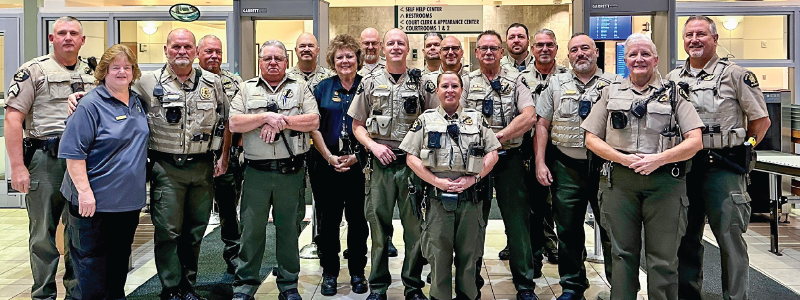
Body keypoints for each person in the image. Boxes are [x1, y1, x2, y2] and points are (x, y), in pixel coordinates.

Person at [582, 33, 704, 300]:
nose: (639, 59)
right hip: (619, 183)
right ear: (625, 60)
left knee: (663, 257)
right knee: (622, 254)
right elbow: (591, 138)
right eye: (633, 55)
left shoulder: (674, 93)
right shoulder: (609, 92)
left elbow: (695, 141)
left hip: (665, 184)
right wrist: (622, 158)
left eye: (645, 54)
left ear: (656, 59)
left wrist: (658, 159)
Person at [671, 16, 771, 300]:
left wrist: (745, 146)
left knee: (730, 240)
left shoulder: (736, 75)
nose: (694, 40)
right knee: (685, 239)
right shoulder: (673, 78)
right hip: (686, 169)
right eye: (689, 34)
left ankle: (735, 297)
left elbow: (761, 121)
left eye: (701, 34)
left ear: (715, 39)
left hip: (724, 170)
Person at [133, 28, 230, 300]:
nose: (182, 52)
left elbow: (226, 122)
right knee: (168, 230)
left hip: (202, 166)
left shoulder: (212, 83)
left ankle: (188, 286)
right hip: (166, 167)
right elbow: (114, 96)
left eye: (187, 46)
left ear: (195, 51)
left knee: (195, 230)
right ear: (166, 49)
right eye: (176, 46)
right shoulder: (146, 82)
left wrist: (223, 157)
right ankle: (170, 288)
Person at [4, 16, 95, 300]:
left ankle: (75, 293)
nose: (68, 37)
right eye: (61, 33)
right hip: (47, 160)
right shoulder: (33, 71)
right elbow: (12, 119)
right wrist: (17, 167)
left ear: (82, 40)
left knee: (78, 232)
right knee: (43, 233)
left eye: (74, 33)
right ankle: (43, 294)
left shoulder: (93, 73)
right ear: (51, 38)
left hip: (84, 163)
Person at [348, 28, 436, 300]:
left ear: (408, 49)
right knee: (378, 230)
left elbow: (435, 122)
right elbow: (357, 125)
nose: (396, 47)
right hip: (379, 167)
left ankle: (412, 285)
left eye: (401, 43)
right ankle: (378, 287)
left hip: (412, 168)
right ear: (384, 49)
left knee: (414, 230)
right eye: (391, 43)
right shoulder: (370, 82)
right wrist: (372, 145)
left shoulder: (422, 83)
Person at [229, 40, 320, 300]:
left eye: (278, 58)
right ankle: (245, 285)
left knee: (289, 231)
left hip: (290, 173)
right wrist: (264, 117)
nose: (272, 63)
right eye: (267, 58)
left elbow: (313, 120)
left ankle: (289, 285)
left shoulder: (300, 87)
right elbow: (234, 123)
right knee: (251, 231)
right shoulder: (246, 89)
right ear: (259, 61)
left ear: (286, 61)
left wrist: (282, 121)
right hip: (256, 173)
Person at [59, 44, 147, 300]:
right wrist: (85, 193)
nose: (122, 72)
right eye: (115, 67)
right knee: (91, 275)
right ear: (103, 72)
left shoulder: (137, 102)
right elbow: (74, 154)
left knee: (117, 271)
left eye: (127, 67)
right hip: (93, 206)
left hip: (126, 206)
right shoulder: (89, 106)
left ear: (134, 72)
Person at [402, 71, 500, 300]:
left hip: (470, 200)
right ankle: (440, 296)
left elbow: (493, 153)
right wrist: (436, 181)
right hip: (437, 200)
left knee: (469, 255)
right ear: (437, 90)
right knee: (438, 255)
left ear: (461, 90)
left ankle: (467, 296)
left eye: (454, 85)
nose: (449, 90)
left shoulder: (476, 119)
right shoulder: (425, 120)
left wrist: (472, 179)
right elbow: (410, 157)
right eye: (444, 86)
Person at [534, 33, 617, 300]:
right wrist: (540, 162)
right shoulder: (555, 84)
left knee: (612, 229)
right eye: (574, 50)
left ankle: (620, 286)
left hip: (605, 168)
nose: (580, 53)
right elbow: (542, 125)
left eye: (585, 49)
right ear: (567, 55)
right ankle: (572, 286)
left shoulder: (614, 84)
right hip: (566, 166)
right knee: (568, 230)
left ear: (596, 52)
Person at [461, 30, 538, 300]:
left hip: (510, 160)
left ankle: (525, 284)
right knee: (474, 222)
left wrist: (499, 136)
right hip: (475, 162)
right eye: (484, 48)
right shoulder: (466, 82)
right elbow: (457, 117)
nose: (489, 52)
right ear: (477, 53)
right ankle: (471, 280)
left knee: (517, 223)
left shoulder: (516, 80)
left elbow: (529, 116)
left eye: (494, 48)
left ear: (502, 52)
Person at [308, 34, 369, 296]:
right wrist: (329, 157)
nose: (345, 60)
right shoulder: (322, 87)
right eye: (340, 56)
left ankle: (357, 271)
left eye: (350, 56)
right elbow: (313, 127)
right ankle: (330, 272)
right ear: (333, 60)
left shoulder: (368, 86)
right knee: (328, 222)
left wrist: (358, 155)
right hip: (327, 164)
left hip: (359, 164)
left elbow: (375, 126)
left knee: (357, 221)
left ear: (358, 59)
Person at [515, 27, 568, 269]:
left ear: (556, 49)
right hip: (530, 148)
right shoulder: (521, 78)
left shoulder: (567, 77)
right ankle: (534, 256)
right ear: (532, 49)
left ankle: (560, 250)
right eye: (540, 45)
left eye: (549, 45)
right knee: (534, 206)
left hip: (562, 149)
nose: (545, 49)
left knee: (563, 206)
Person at [197, 34, 244, 275]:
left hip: (229, 154)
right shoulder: (192, 81)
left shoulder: (234, 83)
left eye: (218, 51)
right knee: (197, 212)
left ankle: (233, 253)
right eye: (209, 51)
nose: (214, 56)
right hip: (197, 156)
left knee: (228, 208)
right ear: (198, 53)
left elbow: (238, 118)